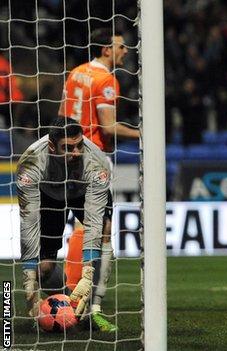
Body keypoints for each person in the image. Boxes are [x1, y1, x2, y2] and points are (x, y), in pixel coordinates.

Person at [58, 27, 140, 332]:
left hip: (66, 156)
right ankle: (91, 306)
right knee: (101, 231)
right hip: (92, 159)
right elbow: (107, 128)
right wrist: (144, 133)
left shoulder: (76, 72)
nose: (125, 51)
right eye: (120, 47)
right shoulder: (106, 80)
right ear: (106, 49)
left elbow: (60, 115)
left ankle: (69, 299)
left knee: (79, 226)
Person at [17, 118, 111, 327]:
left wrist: (87, 276)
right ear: (51, 147)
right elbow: (29, 221)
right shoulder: (30, 164)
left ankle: (95, 308)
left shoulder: (97, 163)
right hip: (50, 195)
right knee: (45, 269)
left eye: (79, 145)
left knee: (105, 227)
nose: (76, 152)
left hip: (83, 191)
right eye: (67, 148)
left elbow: (94, 222)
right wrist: (29, 278)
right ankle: (69, 304)